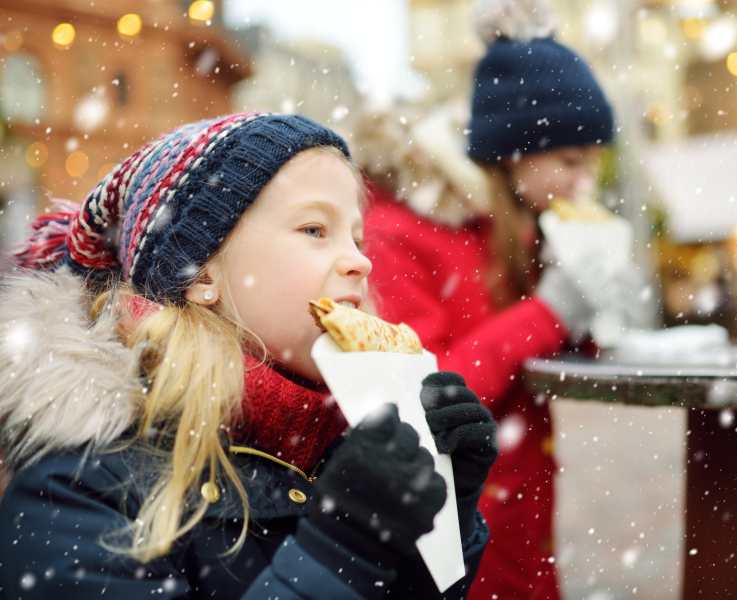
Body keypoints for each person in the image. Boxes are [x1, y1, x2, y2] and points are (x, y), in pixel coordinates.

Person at [0, 113, 497, 599]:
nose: (361, 260)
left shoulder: (332, 442)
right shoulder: (79, 482)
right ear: (201, 275)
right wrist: (343, 548)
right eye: (314, 230)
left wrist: (442, 517)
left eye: (358, 238)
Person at [362, 1, 618, 597]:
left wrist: (590, 318)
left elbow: (530, 357)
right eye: (572, 161)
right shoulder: (399, 235)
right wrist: (551, 311)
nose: (586, 183)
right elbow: (429, 392)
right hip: (457, 533)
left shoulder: (513, 227)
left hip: (520, 519)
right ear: (512, 153)